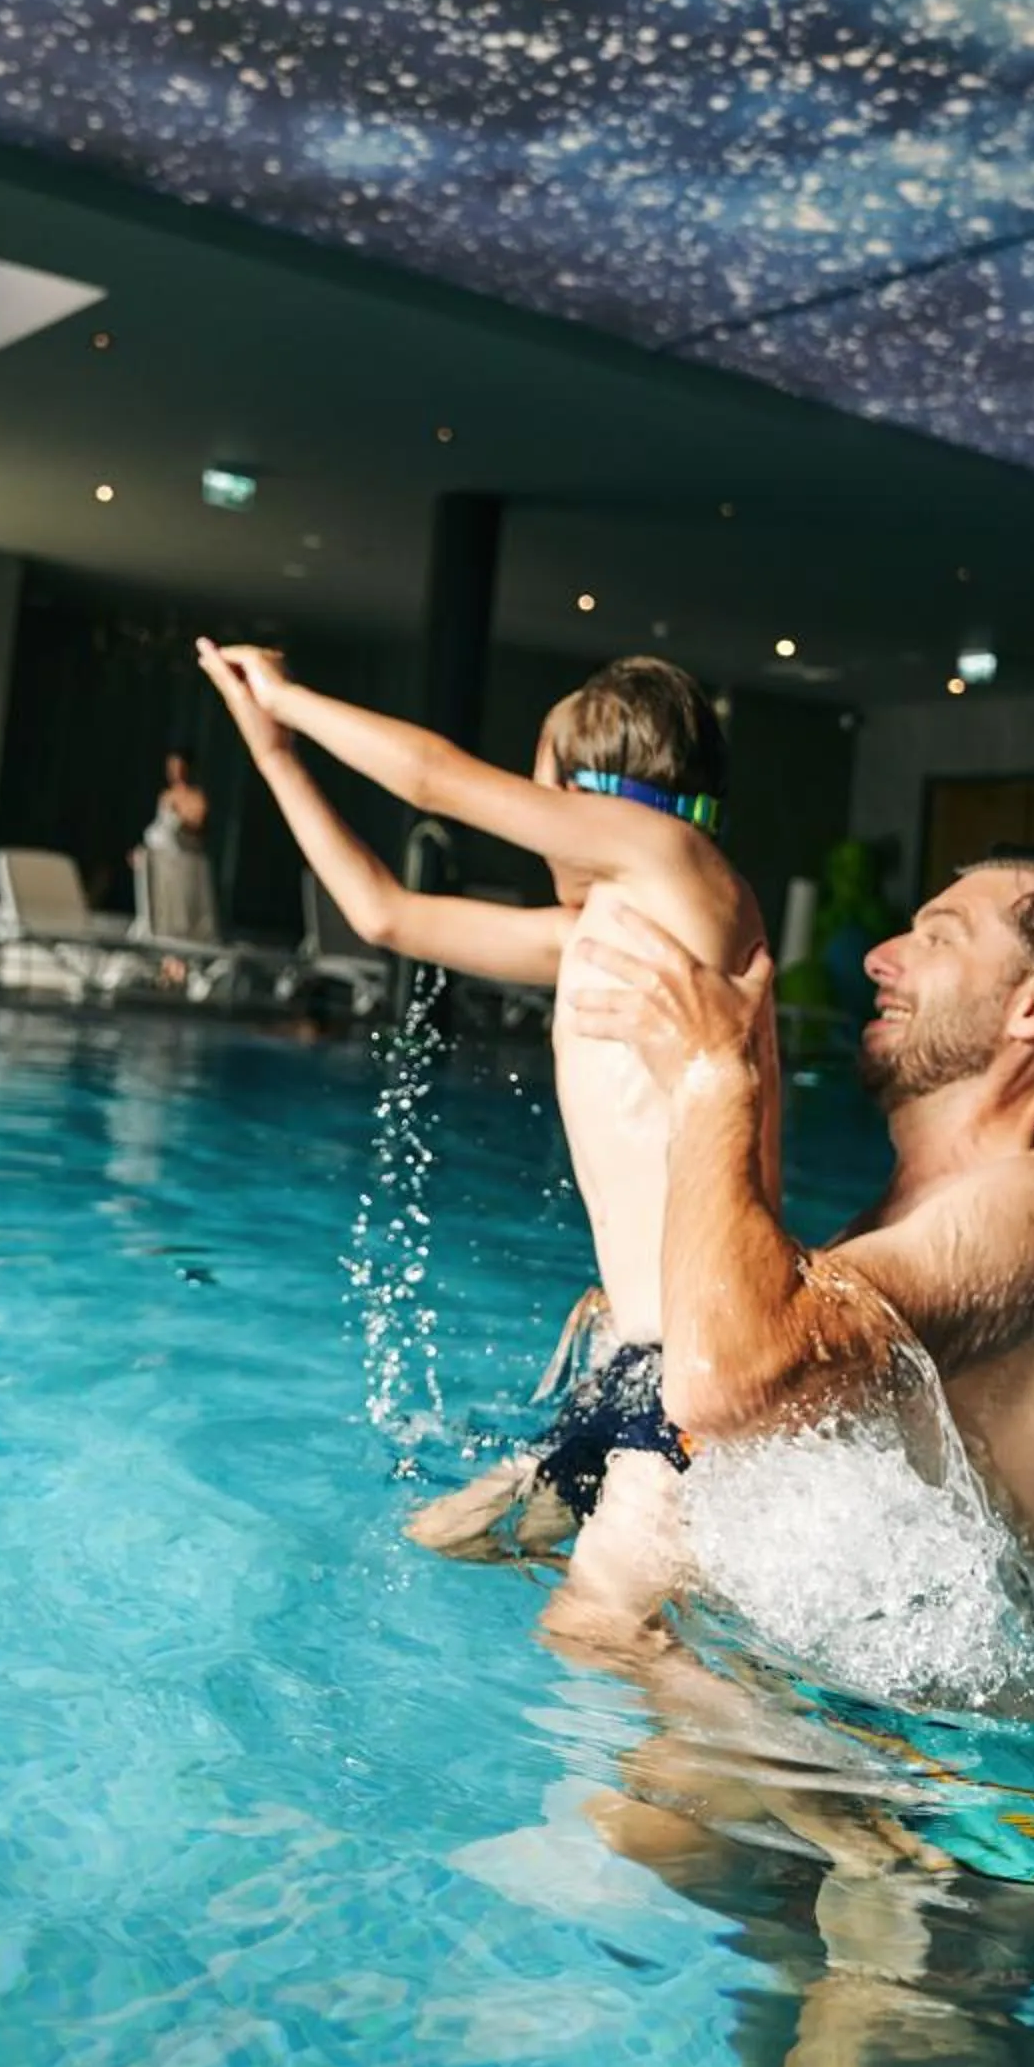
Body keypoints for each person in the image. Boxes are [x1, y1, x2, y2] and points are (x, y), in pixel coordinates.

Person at [196, 636, 768, 1614]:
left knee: (598, 1637)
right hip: (637, 1367)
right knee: (445, 1537)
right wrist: (273, 756)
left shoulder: (676, 860)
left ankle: (770, 1718)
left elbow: (432, 780)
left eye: (537, 790)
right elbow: (384, 915)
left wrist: (287, 699)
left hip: (697, 1368)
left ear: (579, 795)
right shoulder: (602, 931)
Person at [565, 844, 1034, 1647]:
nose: (880, 958)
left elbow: (721, 1381)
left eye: (939, 937)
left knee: (622, 1578)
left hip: (1032, 1715)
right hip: (921, 1690)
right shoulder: (898, 1225)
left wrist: (717, 1072)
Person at [136, 747, 218, 946]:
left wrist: (181, 820)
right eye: (171, 768)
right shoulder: (166, 796)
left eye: (179, 767)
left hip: (187, 863)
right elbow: (158, 830)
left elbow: (199, 826)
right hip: (165, 864)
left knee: (187, 914)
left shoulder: (196, 797)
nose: (175, 772)